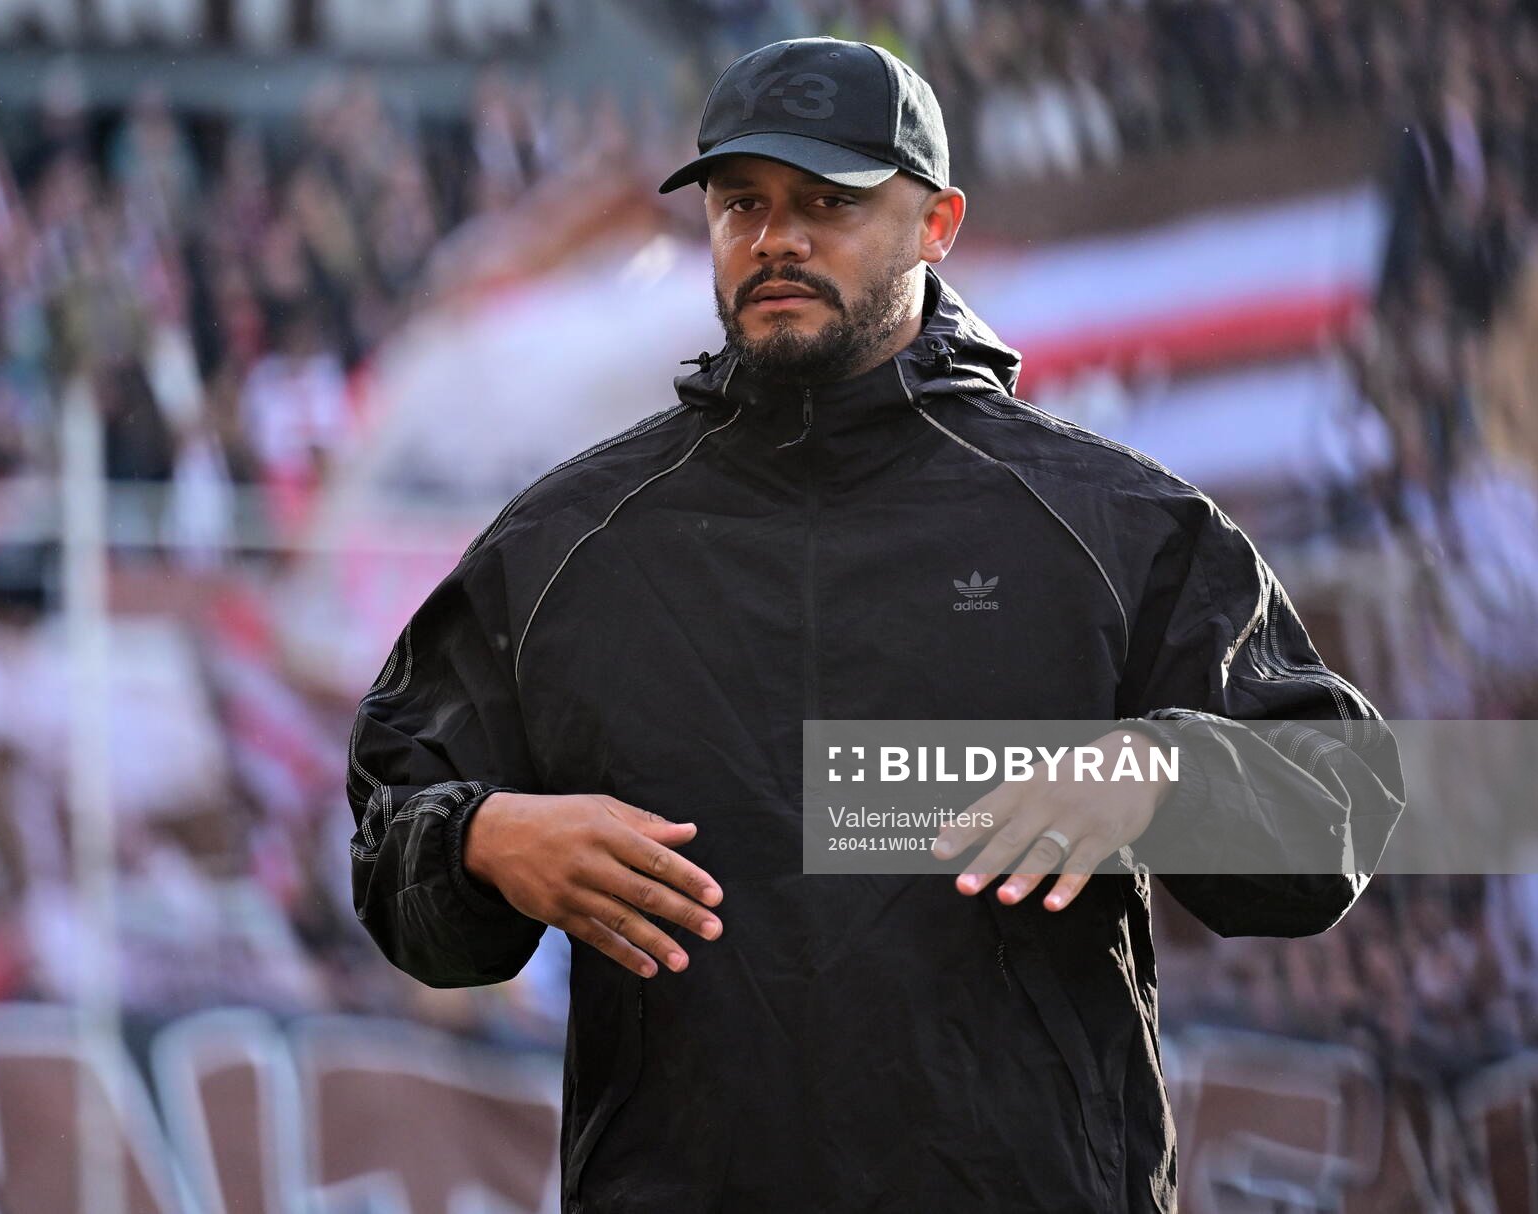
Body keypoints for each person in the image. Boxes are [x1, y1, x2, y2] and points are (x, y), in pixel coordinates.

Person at [346, 37, 1405, 1213]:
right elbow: (393, 828)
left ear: (937, 223)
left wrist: (1167, 773)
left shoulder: (1111, 526)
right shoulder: (566, 543)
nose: (776, 238)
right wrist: (482, 839)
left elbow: (1336, 805)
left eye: (829, 202)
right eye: (742, 202)